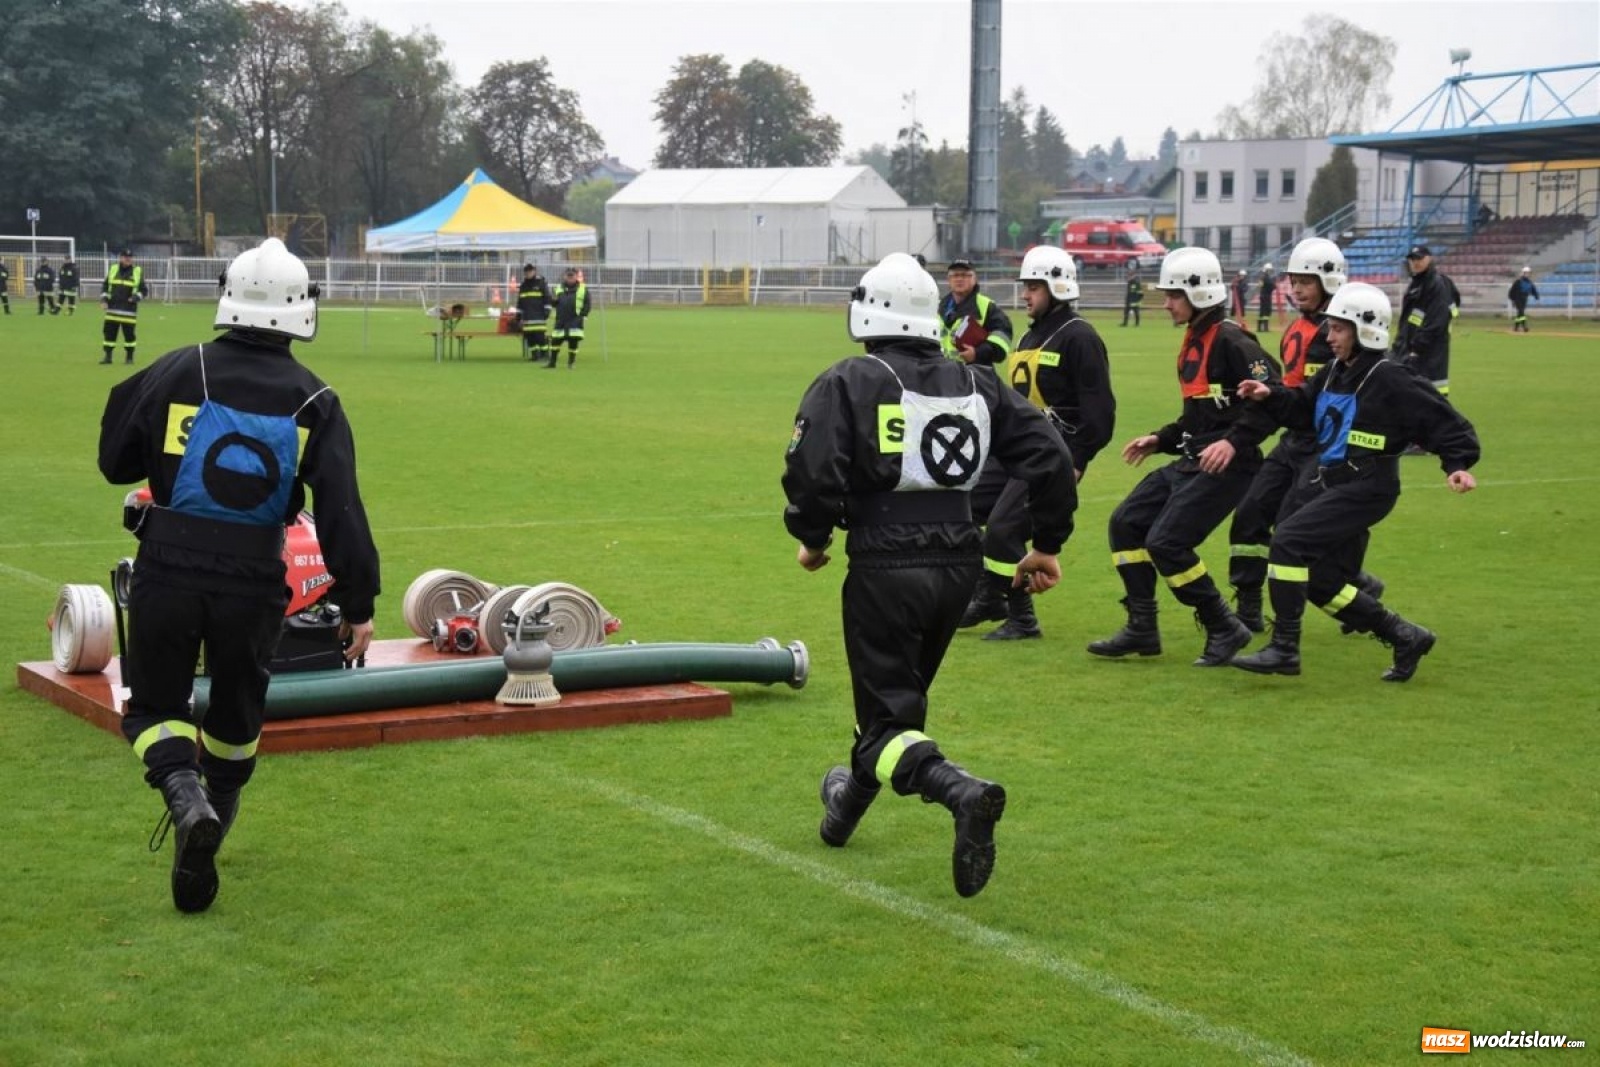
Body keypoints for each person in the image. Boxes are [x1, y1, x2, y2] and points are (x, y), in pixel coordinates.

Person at [97, 237, 381, 913]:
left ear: (228, 296)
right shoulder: (316, 401)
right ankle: (211, 822)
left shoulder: (176, 370)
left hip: (167, 567)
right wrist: (358, 604)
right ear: (302, 308)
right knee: (235, 716)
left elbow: (115, 460)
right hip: (254, 579)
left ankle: (183, 796)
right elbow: (340, 510)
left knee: (153, 710)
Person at [784, 252, 1076, 898]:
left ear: (867, 314)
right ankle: (844, 807)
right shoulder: (980, 383)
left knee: (887, 721)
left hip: (885, 562)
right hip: (959, 565)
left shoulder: (850, 380)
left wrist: (812, 537)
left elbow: (811, 470)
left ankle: (961, 792)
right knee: (893, 704)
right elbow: (1051, 456)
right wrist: (1048, 543)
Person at [1231, 282, 1479, 681]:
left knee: (1288, 542)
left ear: (1366, 330)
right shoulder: (1334, 371)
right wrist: (1269, 395)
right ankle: (1406, 636)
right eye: (1329, 328)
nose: (1329, 337)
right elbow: (1302, 409)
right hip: (1333, 482)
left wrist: (1457, 464)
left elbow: (1445, 422)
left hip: (1368, 487)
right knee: (1321, 580)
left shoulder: (1391, 377)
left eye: (1338, 329)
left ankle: (1284, 648)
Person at [1086, 246, 1278, 667]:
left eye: (1173, 295)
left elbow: (1272, 399)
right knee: (1126, 522)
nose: (1166, 303)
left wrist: (1233, 442)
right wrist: (1160, 439)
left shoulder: (1232, 340)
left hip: (1229, 466)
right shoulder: (1196, 339)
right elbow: (1200, 417)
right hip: (1192, 460)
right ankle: (1142, 626)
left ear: (1199, 293)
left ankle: (1223, 626)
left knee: (1167, 543)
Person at [1225, 237, 1383, 632]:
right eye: (1293, 281)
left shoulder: (1347, 333)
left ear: (1330, 281)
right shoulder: (1296, 328)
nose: (1296, 289)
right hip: (1294, 439)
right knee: (1250, 513)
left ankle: (1345, 595)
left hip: (1325, 447)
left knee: (1294, 528)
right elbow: (1295, 391)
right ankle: (1248, 605)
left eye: (1305, 281)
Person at [961, 245, 1113, 641]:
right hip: (1016, 449)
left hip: (1050, 457)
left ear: (1058, 287)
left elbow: (1100, 414)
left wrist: (1075, 461)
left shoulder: (1079, 336)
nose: (1025, 295)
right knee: (959, 506)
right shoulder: (1031, 334)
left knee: (1003, 528)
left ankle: (1022, 617)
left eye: (1033, 287)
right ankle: (990, 593)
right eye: (1025, 286)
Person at [1391, 245, 1454, 397]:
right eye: (1412, 259)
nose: (1415, 262)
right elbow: (1407, 323)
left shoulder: (1436, 284)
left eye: (1419, 258)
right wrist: (1398, 346)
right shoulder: (1416, 284)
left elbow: (1436, 321)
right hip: (1409, 351)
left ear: (1429, 259)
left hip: (1426, 354)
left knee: (1429, 398)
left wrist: (1416, 349)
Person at [938, 258, 1014, 366]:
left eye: (965, 275)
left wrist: (977, 353)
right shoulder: (938, 307)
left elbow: (1003, 338)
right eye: (955, 275)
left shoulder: (987, 307)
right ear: (948, 280)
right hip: (942, 373)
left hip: (974, 374)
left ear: (974, 279)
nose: (959, 279)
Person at [101, 248, 150, 364]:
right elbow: (105, 286)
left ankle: (129, 357)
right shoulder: (113, 269)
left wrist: (135, 298)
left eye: (130, 257)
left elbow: (144, 290)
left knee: (129, 336)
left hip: (129, 311)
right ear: (120, 258)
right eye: (125, 257)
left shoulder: (137, 271)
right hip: (112, 310)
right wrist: (104, 300)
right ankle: (108, 357)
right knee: (109, 334)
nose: (128, 259)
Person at [548, 267, 591, 368]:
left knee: (573, 342)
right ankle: (552, 363)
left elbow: (587, 303)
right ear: (565, 276)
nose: (570, 278)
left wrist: (582, 315)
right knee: (555, 341)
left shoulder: (583, 288)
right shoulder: (558, 288)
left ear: (576, 276)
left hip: (575, 320)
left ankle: (571, 363)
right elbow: (554, 303)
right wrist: (552, 300)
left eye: (572, 276)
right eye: (568, 276)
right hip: (561, 320)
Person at [515, 263, 554, 362]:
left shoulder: (541, 283)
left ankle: (545, 354)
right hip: (527, 317)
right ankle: (535, 355)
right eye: (526, 272)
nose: (528, 273)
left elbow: (547, 298)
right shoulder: (523, 286)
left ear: (534, 271)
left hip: (539, 316)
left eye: (530, 271)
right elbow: (520, 302)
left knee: (540, 337)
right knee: (529, 337)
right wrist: (518, 316)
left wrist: (547, 311)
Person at [1508, 266, 1539, 333]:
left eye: (1528, 273)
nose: (1527, 274)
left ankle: (1516, 328)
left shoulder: (1530, 282)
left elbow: (1533, 290)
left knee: (1519, 313)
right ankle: (1524, 326)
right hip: (1517, 298)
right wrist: (1512, 299)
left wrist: (1536, 296)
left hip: (1524, 298)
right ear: (1523, 273)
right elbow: (1512, 290)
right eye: (1526, 273)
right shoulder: (1518, 281)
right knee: (1521, 312)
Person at [1255, 262, 1275, 333]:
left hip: (1263, 295)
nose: (1270, 271)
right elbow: (1271, 285)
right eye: (1269, 270)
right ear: (1267, 270)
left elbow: (1260, 285)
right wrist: (1274, 285)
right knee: (1266, 311)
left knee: (1262, 312)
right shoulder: (1266, 277)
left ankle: (1259, 328)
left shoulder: (1262, 277)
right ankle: (1265, 328)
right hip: (1266, 296)